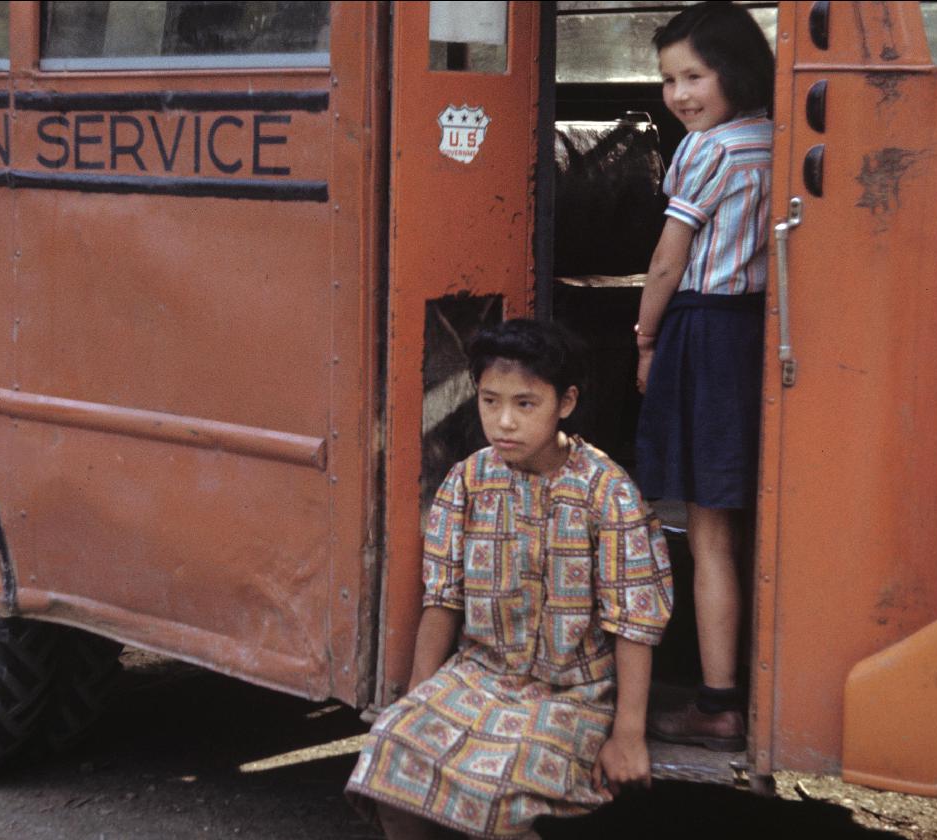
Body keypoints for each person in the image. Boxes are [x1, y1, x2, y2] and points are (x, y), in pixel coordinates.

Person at [348, 319, 674, 839]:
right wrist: (415, 698)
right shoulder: (468, 480)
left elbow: (634, 622)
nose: (503, 422)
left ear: (564, 402)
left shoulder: (607, 493)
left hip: (571, 695)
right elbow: (443, 599)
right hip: (479, 675)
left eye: (525, 404)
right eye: (489, 401)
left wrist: (627, 734)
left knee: (496, 793)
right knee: (388, 756)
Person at [633, 1, 775, 752]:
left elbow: (667, 258)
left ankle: (717, 702)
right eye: (668, 79)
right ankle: (757, 684)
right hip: (757, 331)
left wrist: (645, 339)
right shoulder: (777, 140)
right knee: (748, 517)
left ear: (735, 71)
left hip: (704, 330)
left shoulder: (706, 151)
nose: (681, 94)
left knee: (707, 533)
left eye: (695, 75)